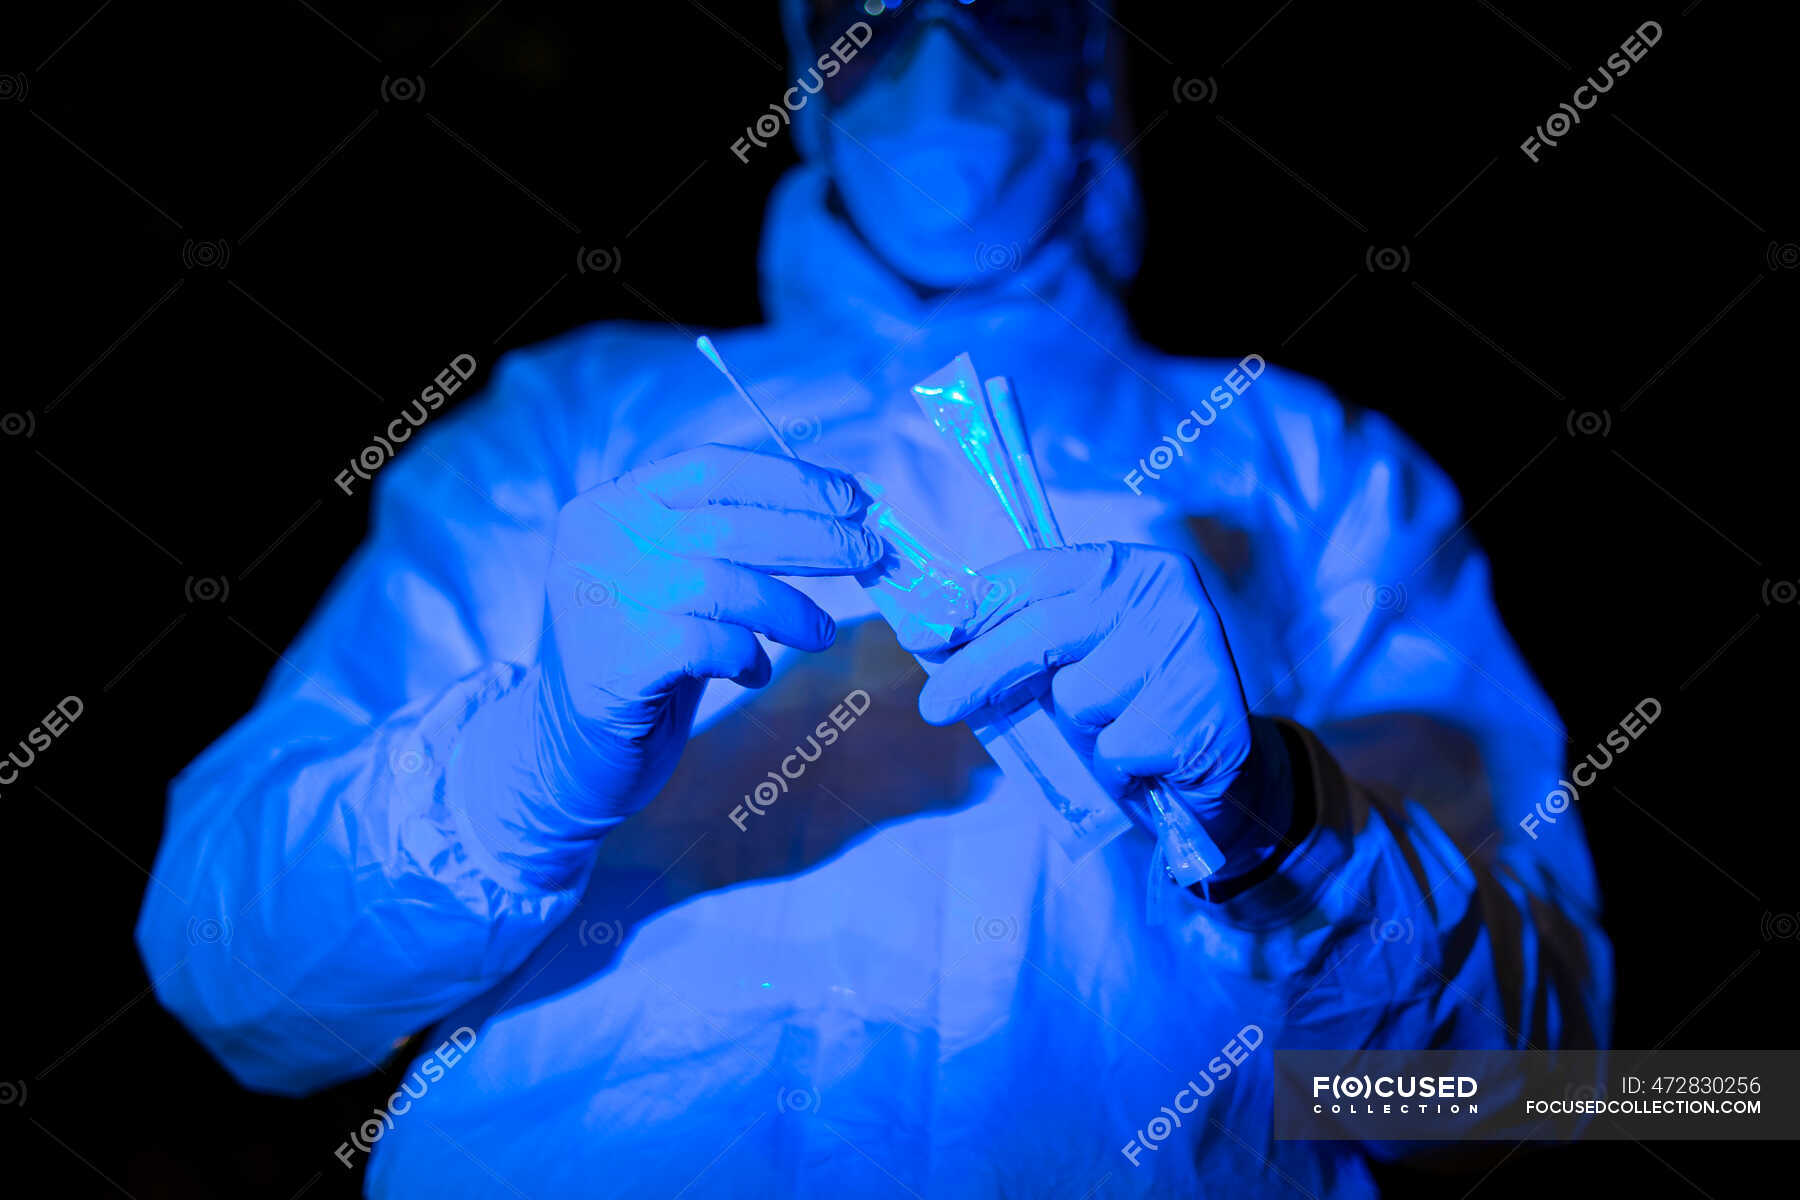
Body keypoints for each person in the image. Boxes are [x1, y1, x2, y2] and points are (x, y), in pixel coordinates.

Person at [137, 1, 1610, 1195]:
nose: (939, 51)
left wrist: (1283, 820)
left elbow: (1524, 1089)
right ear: (804, 63)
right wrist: (523, 766)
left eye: (1009, 7)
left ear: (1096, 55)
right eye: (874, 11)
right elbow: (232, 984)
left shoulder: (1302, 462)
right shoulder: (572, 422)